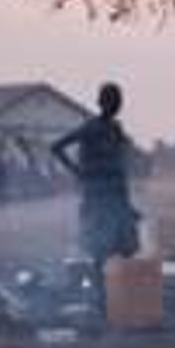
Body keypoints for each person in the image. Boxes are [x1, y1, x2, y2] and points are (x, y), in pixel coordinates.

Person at [52, 83, 141, 315]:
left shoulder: (116, 129)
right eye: (111, 100)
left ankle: (118, 299)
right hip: (97, 199)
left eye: (118, 100)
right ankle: (104, 304)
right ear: (101, 102)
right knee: (101, 254)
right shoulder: (90, 128)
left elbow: (120, 167)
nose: (116, 105)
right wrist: (79, 172)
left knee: (126, 249)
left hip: (117, 197)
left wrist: (129, 205)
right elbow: (57, 147)